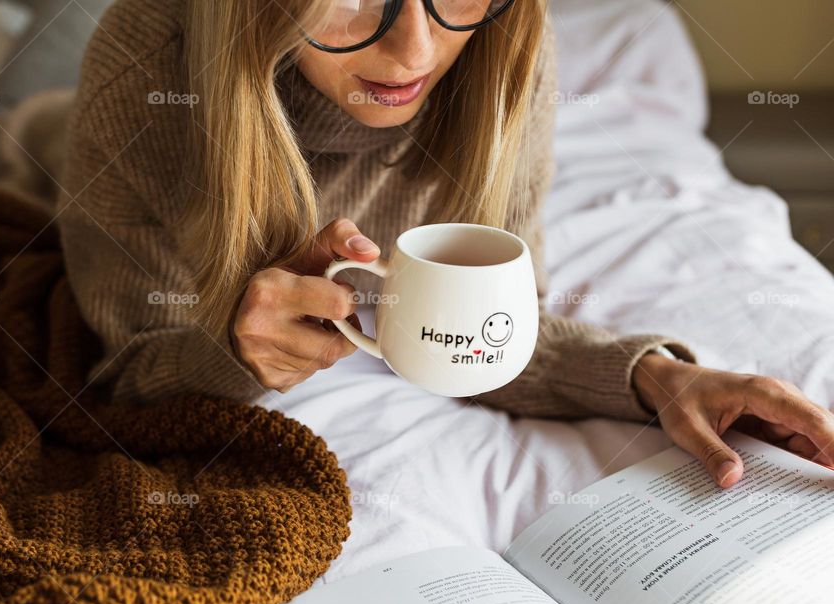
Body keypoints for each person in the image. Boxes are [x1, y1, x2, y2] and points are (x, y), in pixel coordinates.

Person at [58, 0, 834, 488]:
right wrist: (229, 355)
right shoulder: (145, 72)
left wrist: (655, 379)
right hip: (78, 124)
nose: (416, 52)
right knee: (21, 128)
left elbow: (482, 334)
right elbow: (131, 371)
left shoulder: (505, 42)